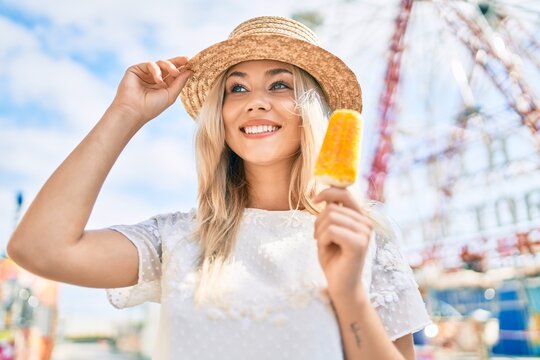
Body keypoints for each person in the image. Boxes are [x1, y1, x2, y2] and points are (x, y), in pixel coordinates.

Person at [7, 16, 431, 360]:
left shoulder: (360, 237)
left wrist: (348, 292)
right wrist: (126, 113)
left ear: (313, 111)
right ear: (221, 116)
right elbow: (38, 249)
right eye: (237, 87)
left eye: (281, 84)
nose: (256, 100)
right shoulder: (176, 239)